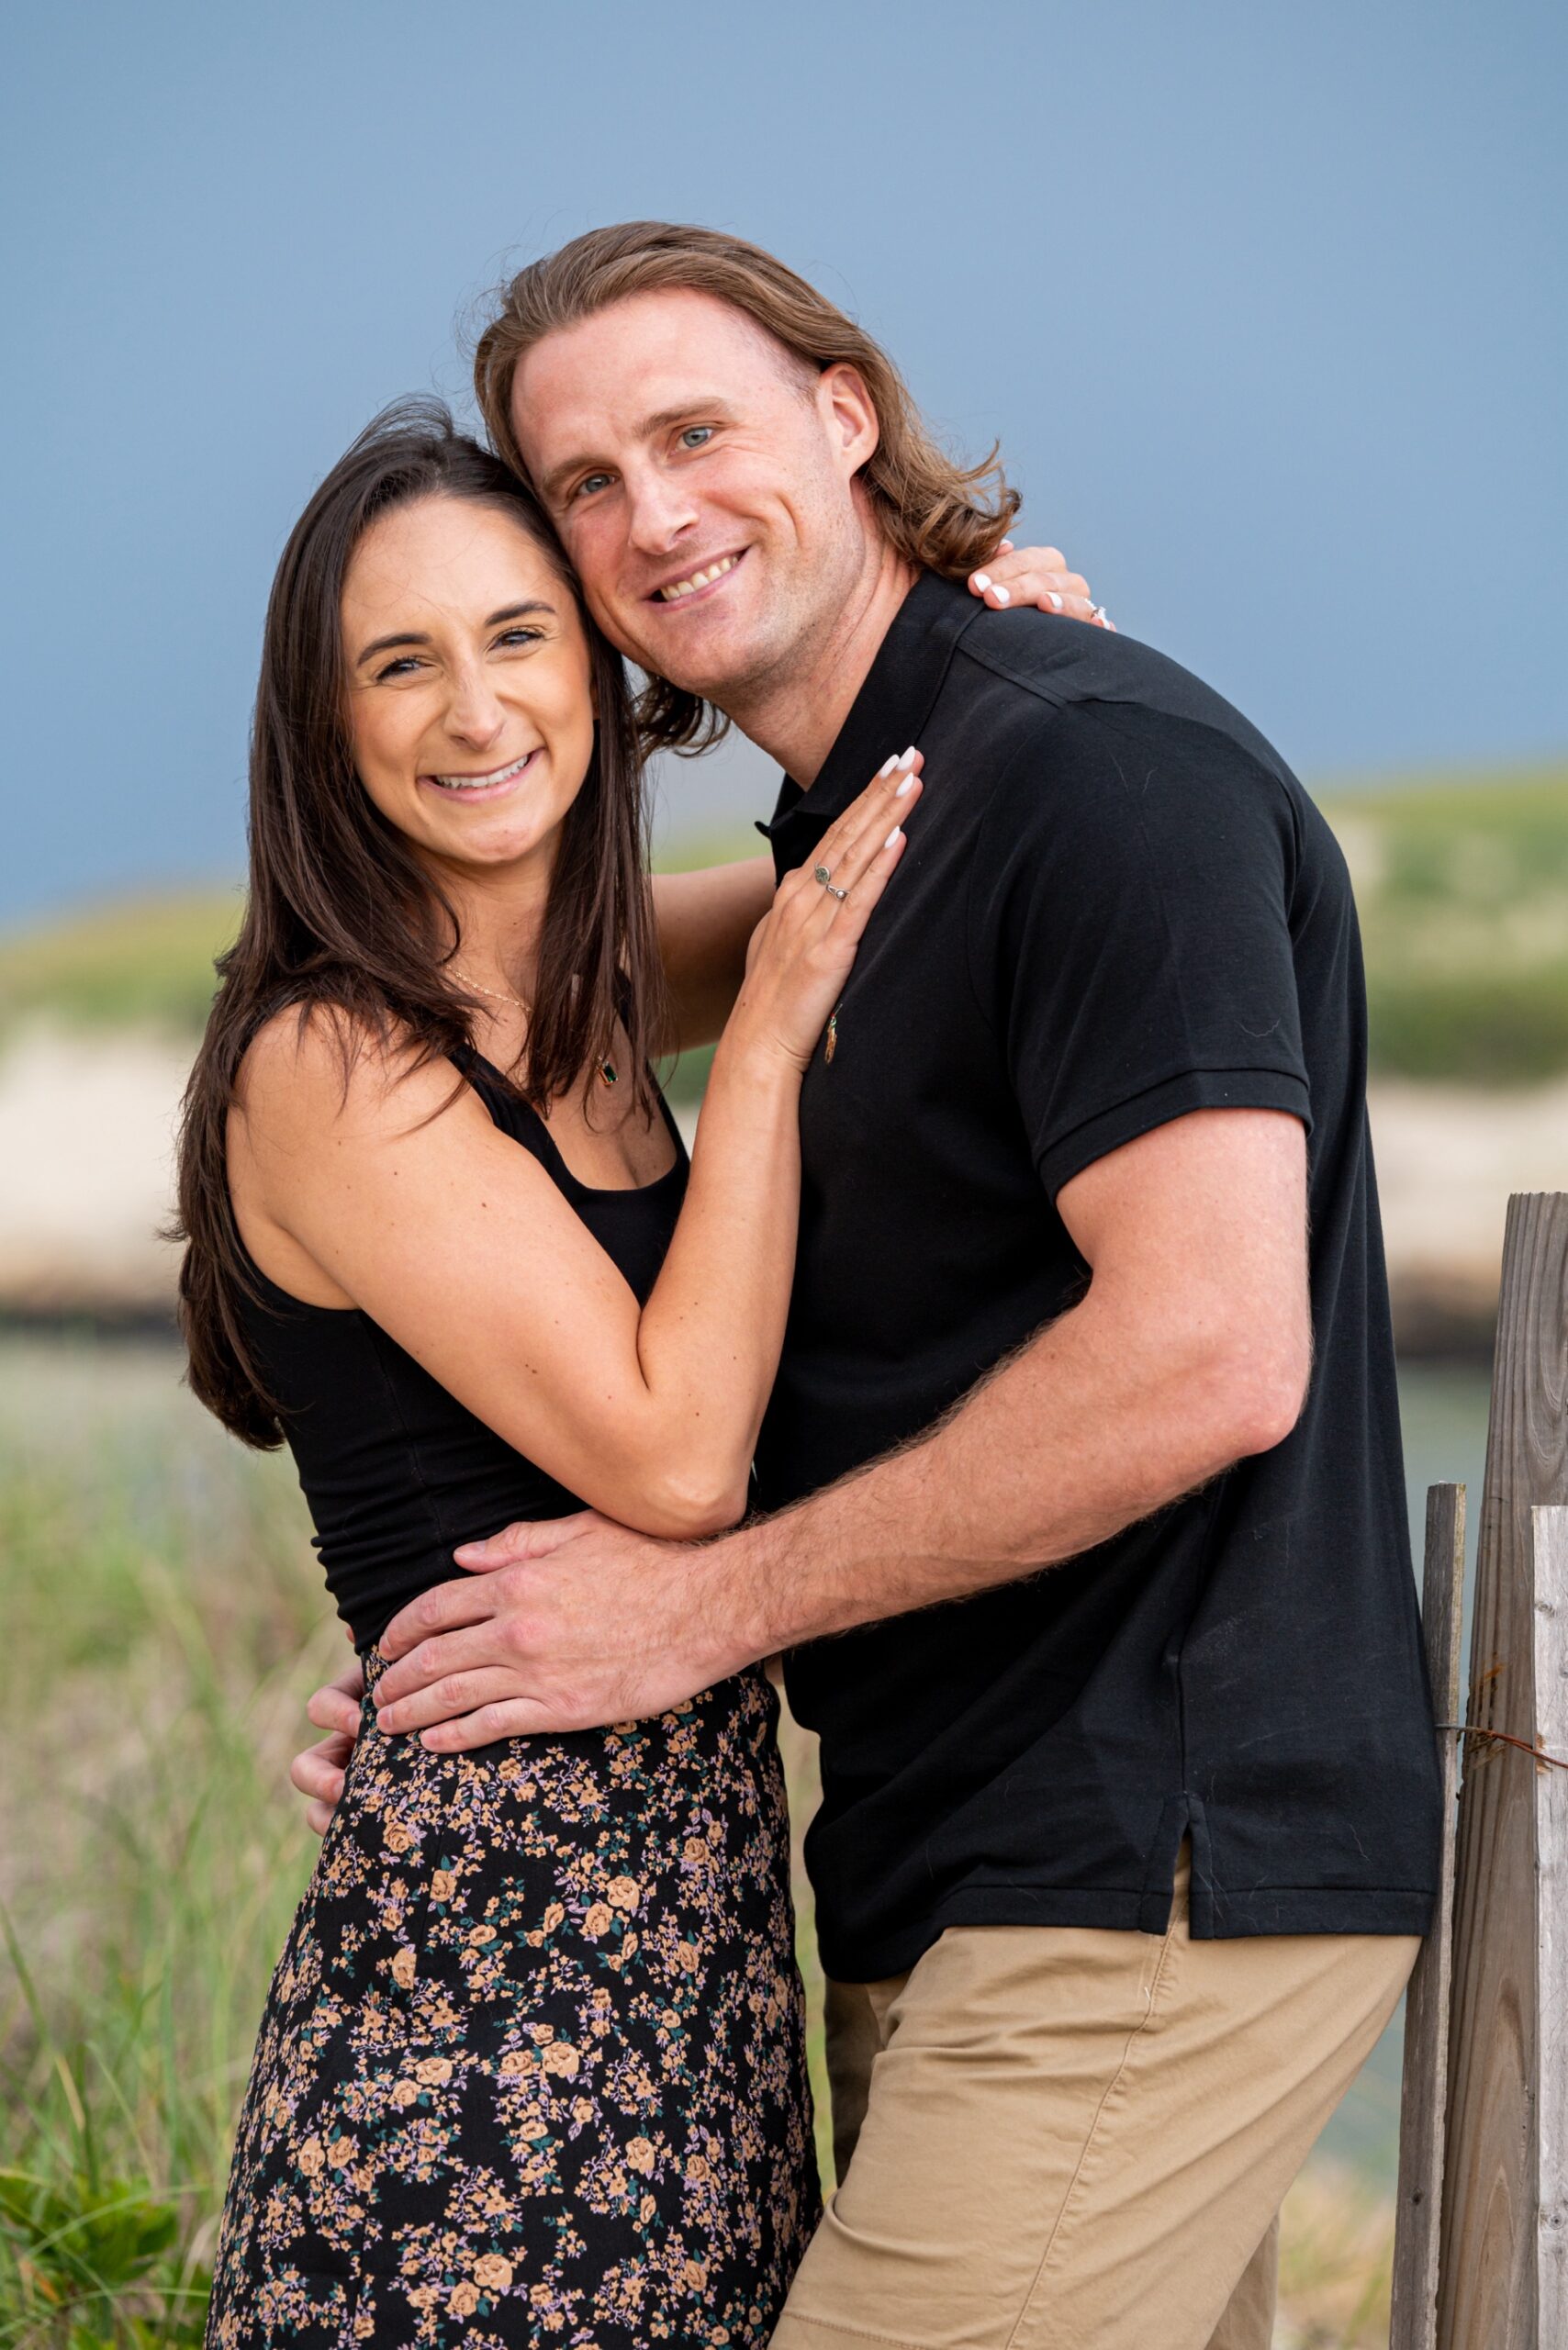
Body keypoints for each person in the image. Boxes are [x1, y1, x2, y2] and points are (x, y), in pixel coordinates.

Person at [298, 223, 1442, 2350]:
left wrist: (689, 1616)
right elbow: (439, 1045)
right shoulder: (859, 832)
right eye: (584, 483)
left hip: (1146, 1867)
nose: (652, 513)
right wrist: (450, 1649)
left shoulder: (1092, 773)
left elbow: (1206, 1348)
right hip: (941, 1863)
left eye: (694, 430)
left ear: (845, 416)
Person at [181, 398, 1083, 2345]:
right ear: (321, 723)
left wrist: (1005, 656)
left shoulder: (582, 987)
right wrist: (752, 1061)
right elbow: (676, 1462)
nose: (473, 708)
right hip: (488, 2001)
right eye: (396, 662)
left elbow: (888, 873)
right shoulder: (334, 1061)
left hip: (692, 1947)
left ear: (594, 669)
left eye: (516, 636)